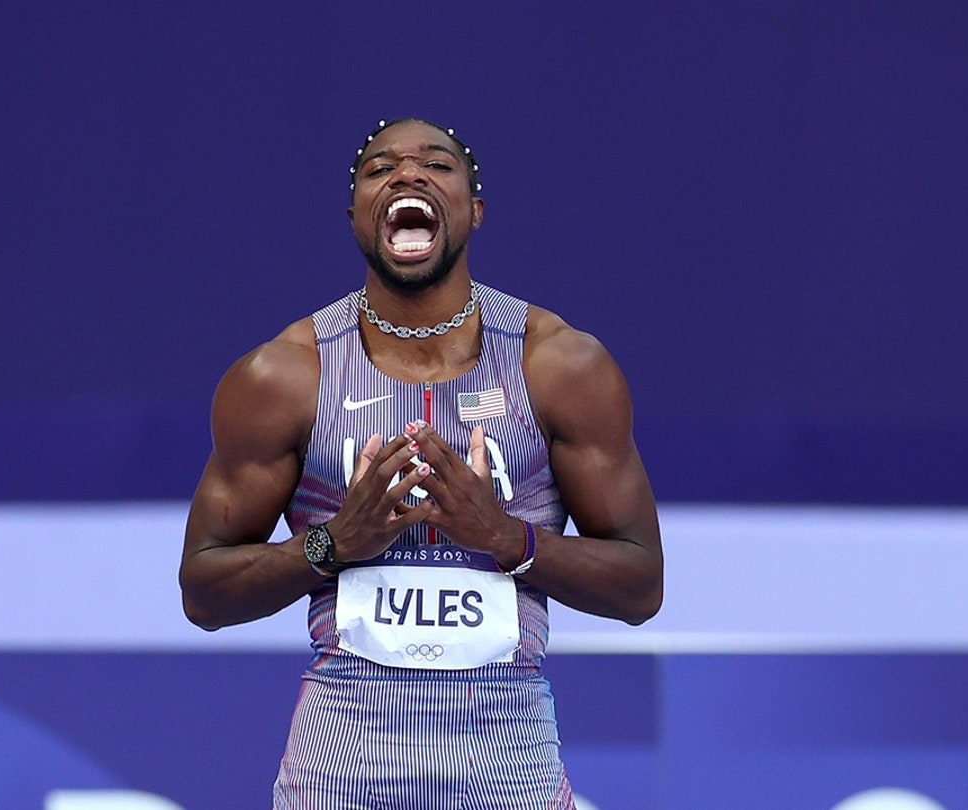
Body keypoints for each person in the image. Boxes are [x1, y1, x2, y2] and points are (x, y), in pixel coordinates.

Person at [180, 117, 663, 809]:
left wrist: (509, 540)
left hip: (509, 778)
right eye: (379, 169)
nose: (407, 174)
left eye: (436, 164)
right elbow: (203, 592)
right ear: (356, 218)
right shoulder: (284, 376)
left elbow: (641, 585)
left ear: (473, 210)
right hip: (335, 781)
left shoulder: (558, 366)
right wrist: (329, 546)